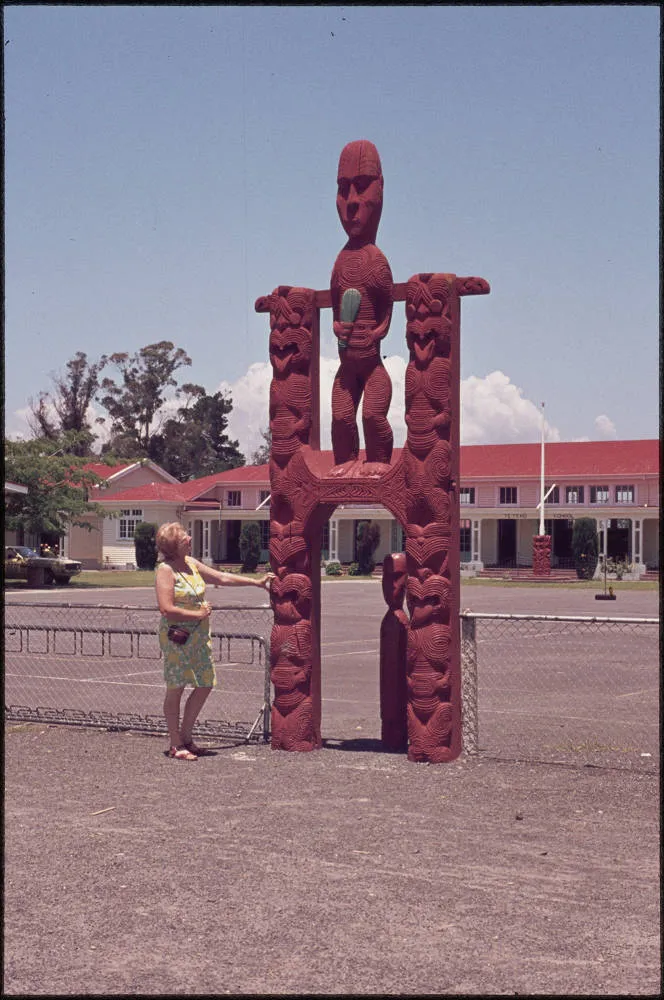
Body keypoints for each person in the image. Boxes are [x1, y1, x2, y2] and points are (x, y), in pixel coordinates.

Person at [155, 522, 274, 760]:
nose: (189, 538)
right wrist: (197, 614)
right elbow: (166, 609)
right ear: (174, 545)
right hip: (178, 637)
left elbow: (221, 577)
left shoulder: (191, 563)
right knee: (176, 687)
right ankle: (176, 743)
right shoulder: (165, 570)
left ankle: (187, 736)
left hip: (198, 636)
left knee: (205, 682)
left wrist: (256, 583)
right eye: (184, 537)